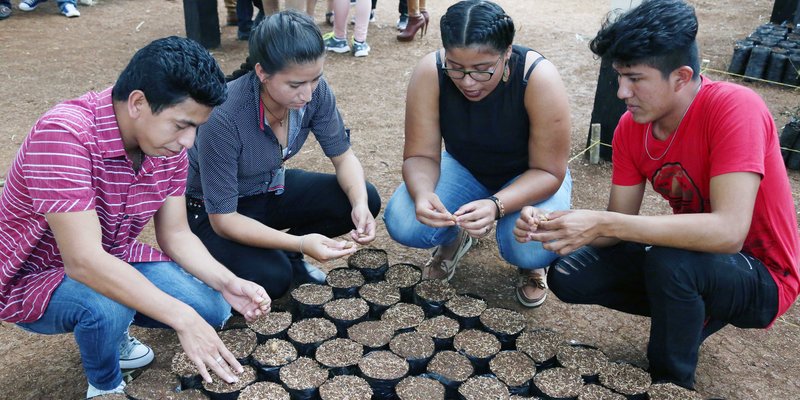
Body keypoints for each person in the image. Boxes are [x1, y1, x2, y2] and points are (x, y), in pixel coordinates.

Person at [514, 0, 800, 390]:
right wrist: (554, 225)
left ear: (681, 77)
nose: (621, 92)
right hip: (695, 261)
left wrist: (606, 222)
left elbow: (729, 232)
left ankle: (671, 383)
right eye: (618, 77)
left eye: (634, 78)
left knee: (673, 264)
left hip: (762, 274)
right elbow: (614, 231)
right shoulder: (631, 129)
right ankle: (688, 310)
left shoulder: (734, 108)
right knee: (569, 274)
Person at [0, 36, 271, 399]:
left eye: (197, 128)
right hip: (33, 275)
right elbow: (82, 262)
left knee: (210, 306)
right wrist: (180, 317)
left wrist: (226, 282)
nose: (189, 142)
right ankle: (105, 386)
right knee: (107, 302)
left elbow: (176, 234)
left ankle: (115, 325)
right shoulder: (64, 135)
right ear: (138, 103)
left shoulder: (164, 144)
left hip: (109, 257)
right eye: (181, 125)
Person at [383, 0, 572, 308]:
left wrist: (497, 205)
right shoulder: (431, 72)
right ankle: (454, 239)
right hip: (466, 168)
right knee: (404, 221)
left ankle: (531, 266)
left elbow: (549, 171)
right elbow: (420, 155)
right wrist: (422, 193)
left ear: (507, 52)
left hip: (530, 175)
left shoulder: (537, 77)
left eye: (483, 70)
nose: (468, 82)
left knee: (528, 247)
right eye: (456, 68)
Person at [186, 10, 381, 300]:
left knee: (363, 195)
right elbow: (224, 219)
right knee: (274, 280)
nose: (308, 95)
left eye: (315, 79)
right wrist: (301, 243)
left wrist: (360, 204)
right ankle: (207, 266)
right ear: (262, 72)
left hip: (267, 188)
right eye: (295, 85)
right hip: (213, 209)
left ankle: (282, 256)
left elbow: (343, 157)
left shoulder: (316, 92)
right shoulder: (224, 117)